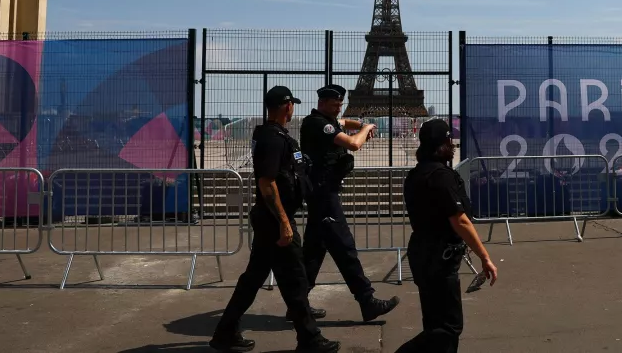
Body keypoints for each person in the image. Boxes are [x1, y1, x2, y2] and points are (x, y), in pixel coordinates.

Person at [210, 86, 340, 353]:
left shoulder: (274, 135)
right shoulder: (273, 138)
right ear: (286, 106)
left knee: (254, 279)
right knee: (295, 279)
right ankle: (309, 339)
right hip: (275, 220)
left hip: (271, 218)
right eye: (293, 104)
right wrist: (283, 221)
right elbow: (267, 183)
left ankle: (225, 332)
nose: (294, 109)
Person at [297, 84, 400, 322]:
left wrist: (361, 125)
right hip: (324, 197)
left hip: (322, 194)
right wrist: (366, 129)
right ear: (322, 103)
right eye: (334, 105)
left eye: (340, 105)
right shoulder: (319, 123)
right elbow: (354, 144)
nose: (338, 109)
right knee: (345, 249)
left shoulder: (325, 121)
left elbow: (343, 122)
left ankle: (297, 304)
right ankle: (367, 301)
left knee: (313, 254)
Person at [395, 118, 498, 353]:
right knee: (448, 328)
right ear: (440, 145)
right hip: (439, 258)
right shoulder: (441, 176)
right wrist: (485, 256)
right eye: (448, 140)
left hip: (422, 251)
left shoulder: (415, 175)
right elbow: (459, 220)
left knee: (434, 322)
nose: (452, 145)